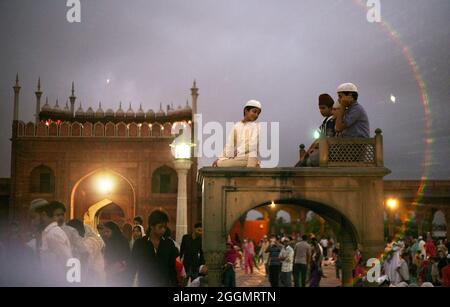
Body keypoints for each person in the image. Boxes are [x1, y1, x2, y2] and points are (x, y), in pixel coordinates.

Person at [129, 210, 178, 286]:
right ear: (152, 226)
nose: (163, 230)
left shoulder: (168, 244)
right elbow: (132, 267)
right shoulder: (140, 244)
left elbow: (172, 269)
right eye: (160, 227)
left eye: (165, 227)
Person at [212, 100, 262, 168]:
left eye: (258, 113)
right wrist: (221, 158)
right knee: (219, 162)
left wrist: (237, 152)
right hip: (237, 158)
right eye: (254, 111)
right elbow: (229, 145)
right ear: (246, 111)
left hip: (249, 157)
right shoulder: (236, 126)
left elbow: (252, 145)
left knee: (252, 156)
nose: (256, 115)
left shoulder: (257, 126)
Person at [35, 201, 73, 286]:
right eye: (57, 215)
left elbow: (67, 259)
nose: (61, 218)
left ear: (45, 215)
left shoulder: (53, 233)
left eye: (62, 215)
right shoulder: (49, 232)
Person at [296, 94, 335, 167]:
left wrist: (312, 150)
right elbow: (317, 139)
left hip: (329, 153)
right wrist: (307, 153)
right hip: (321, 151)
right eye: (320, 108)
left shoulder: (333, 121)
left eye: (323, 108)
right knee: (302, 161)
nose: (321, 111)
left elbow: (327, 139)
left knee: (308, 161)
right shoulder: (325, 121)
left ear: (331, 108)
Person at [103, 221, 131, 286]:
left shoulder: (123, 241)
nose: (105, 234)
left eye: (108, 231)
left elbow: (126, 257)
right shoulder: (109, 241)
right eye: (104, 232)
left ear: (114, 231)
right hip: (110, 273)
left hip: (121, 274)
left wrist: (114, 267)